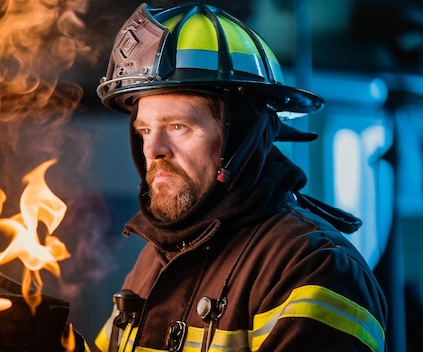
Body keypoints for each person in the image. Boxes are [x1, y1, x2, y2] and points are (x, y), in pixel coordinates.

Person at [90, 2, 387, 352]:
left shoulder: (312, 269)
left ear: (242, 138)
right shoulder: (154, 259)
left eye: (177, 126)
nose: (153, 150)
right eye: (144, 130)